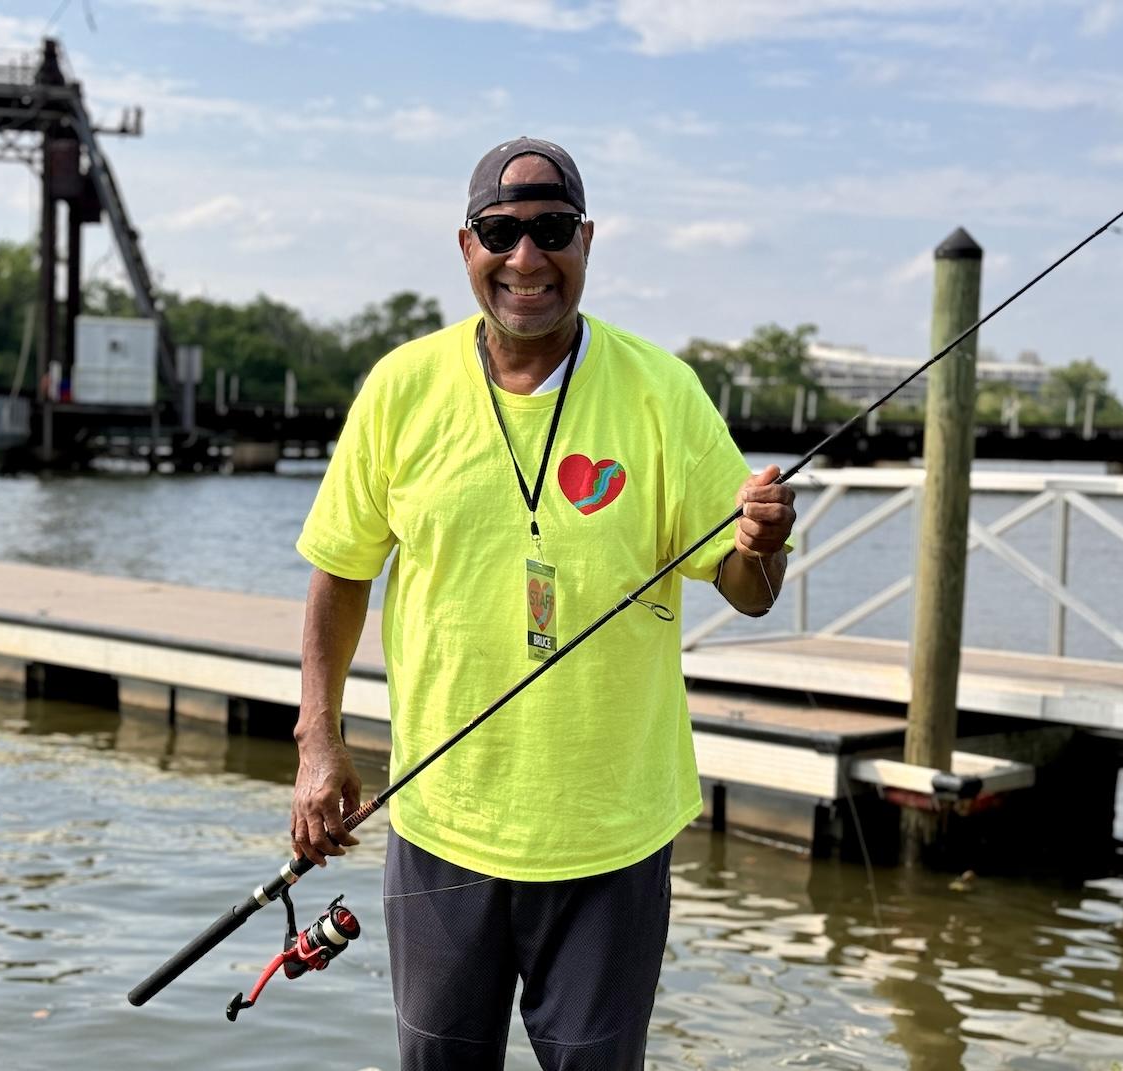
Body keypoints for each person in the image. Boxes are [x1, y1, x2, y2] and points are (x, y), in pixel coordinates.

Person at [291, 137, 797, 1070]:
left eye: (552, 230)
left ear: (589, 239)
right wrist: (318, 740)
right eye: (502, 232)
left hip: (612, 834)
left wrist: (759, 546)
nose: (527, 259)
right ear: (466, 245)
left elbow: (745, 587)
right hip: (442, 823)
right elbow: (339, 570)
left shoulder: (663, 392)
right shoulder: (402, 388)